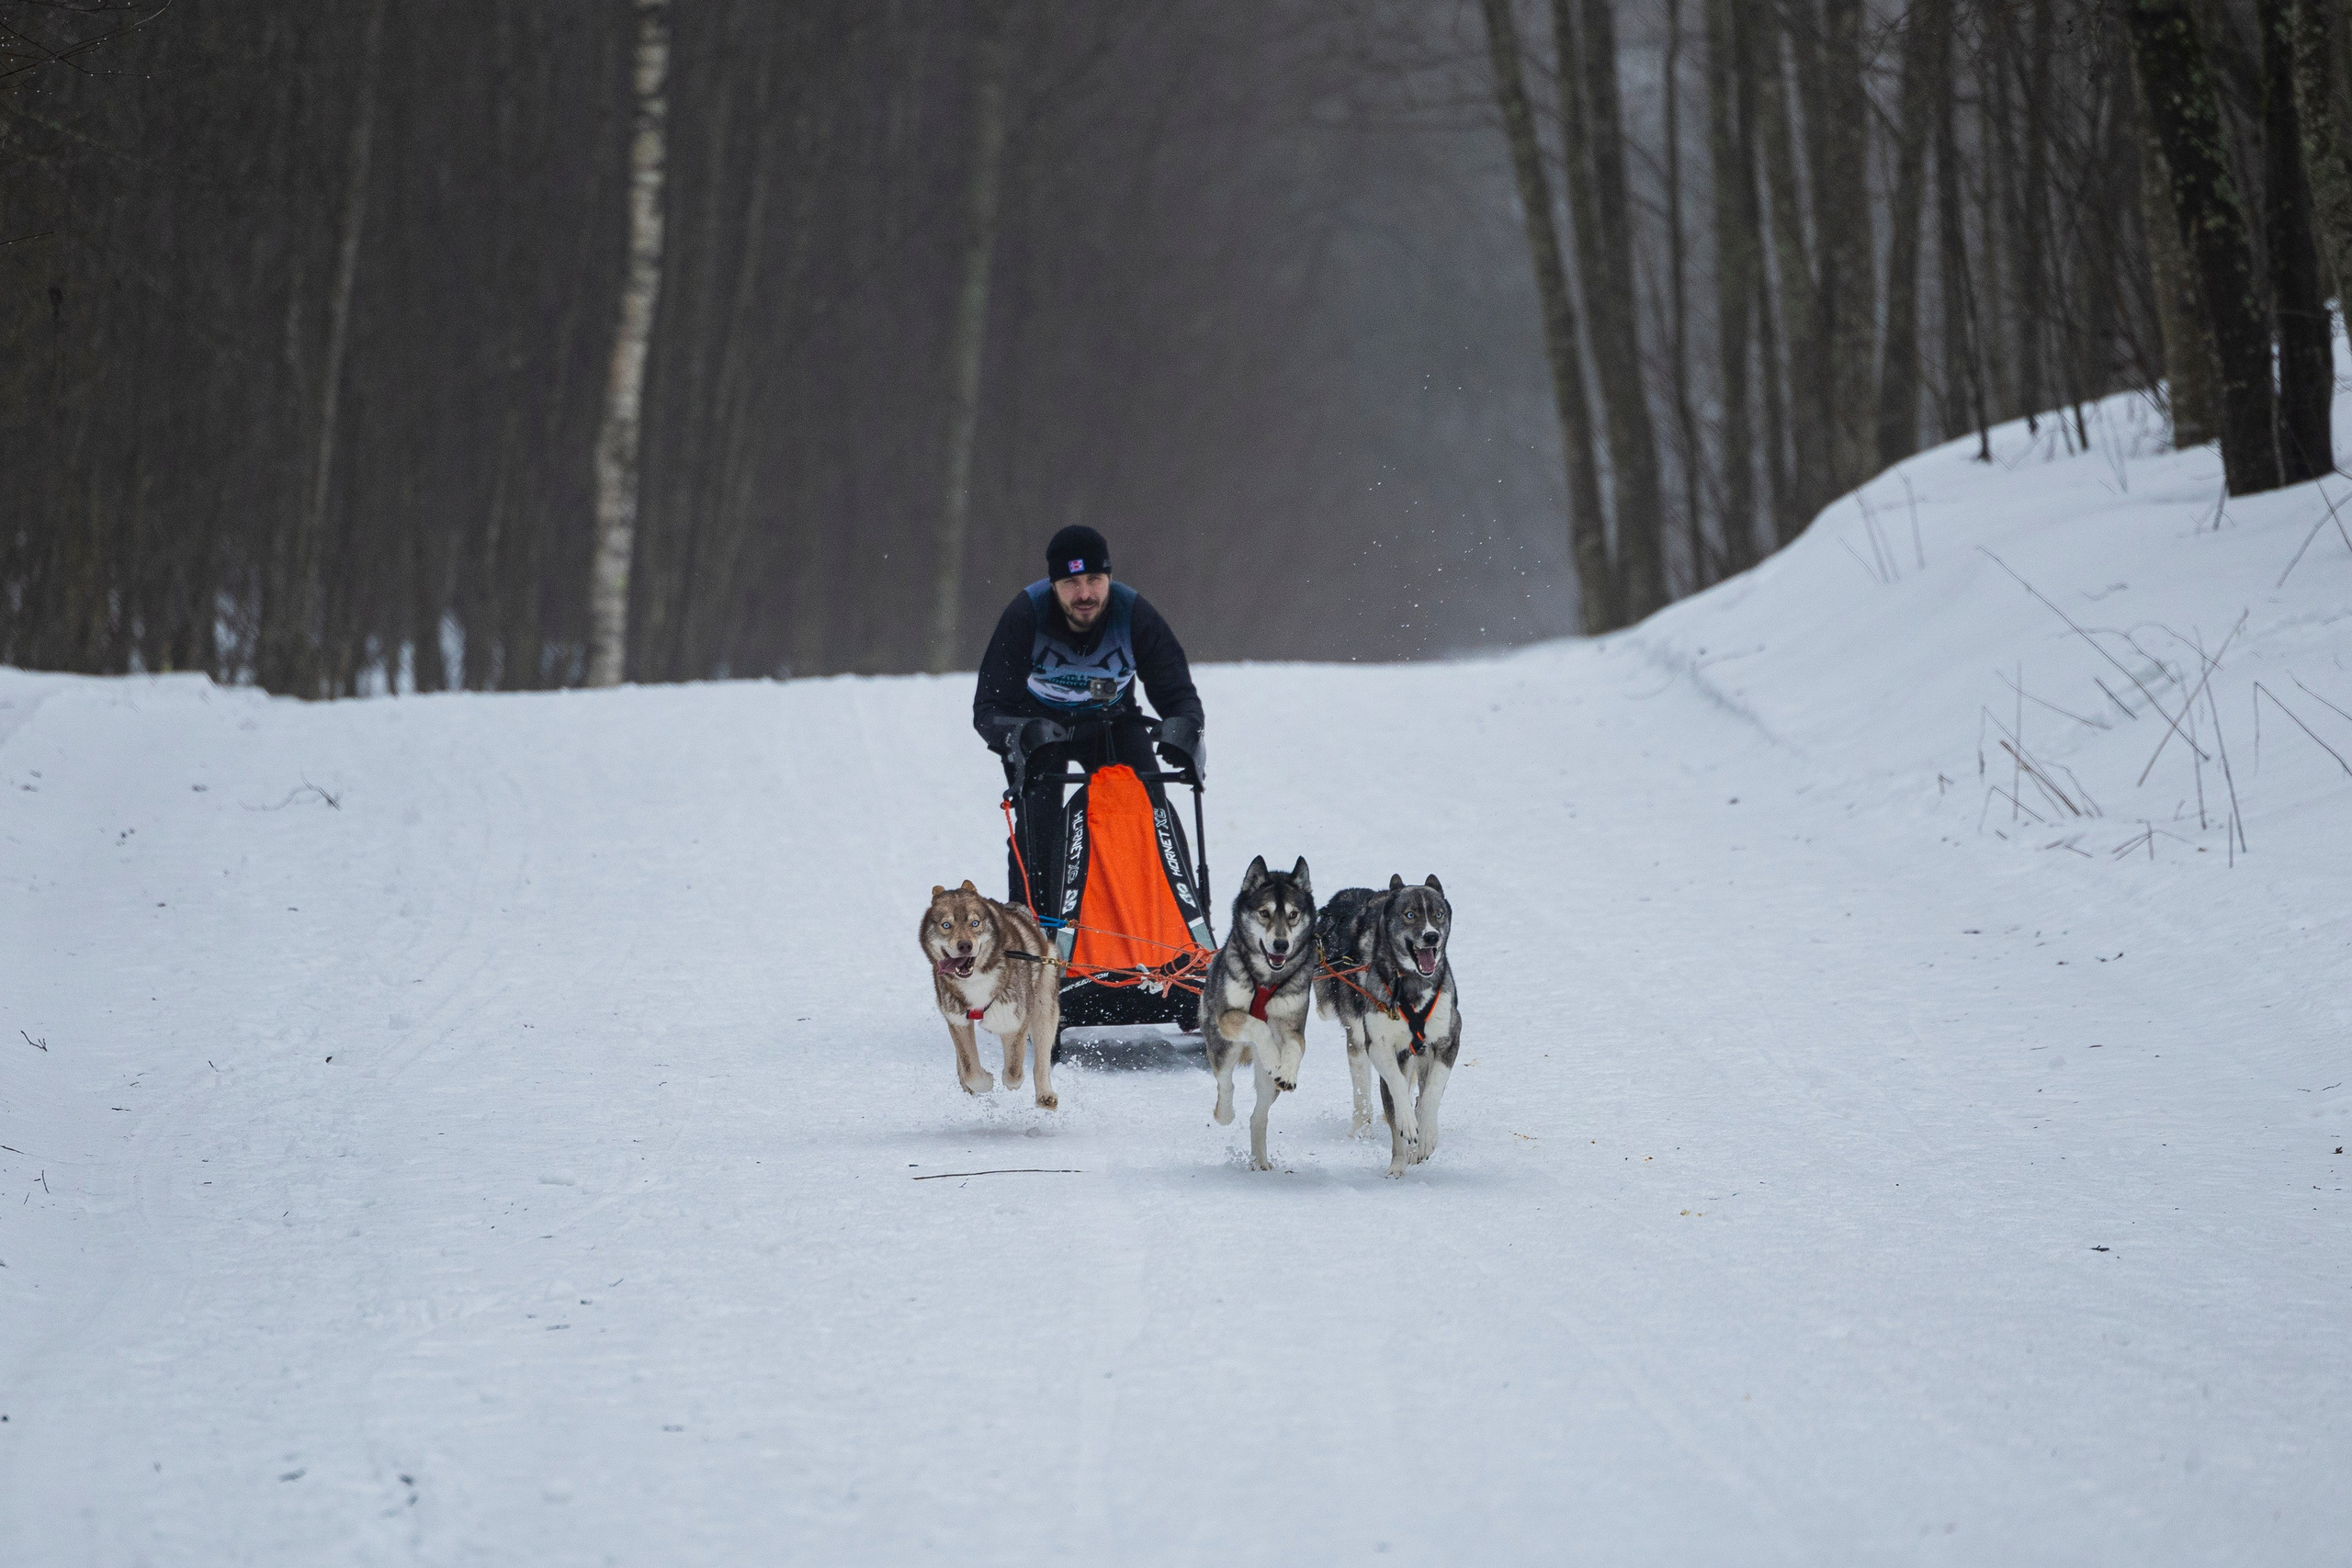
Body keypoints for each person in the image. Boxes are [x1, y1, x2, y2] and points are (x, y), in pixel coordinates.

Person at [973, 525, 1204, 911]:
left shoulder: (1135, 615)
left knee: (1149, 812)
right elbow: (988, 710)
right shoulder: (1026, 614)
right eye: (1071, 582)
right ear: (1053, 586)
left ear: (1109, 578)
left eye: (1094, 580)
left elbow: (1179, 694)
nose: (1084, 594)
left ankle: (1174, 926)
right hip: (1039, 724)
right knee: (1040, 826)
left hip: (1111, 720)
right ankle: (1036, 933)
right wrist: (1017, 735)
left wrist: (1184, 732)